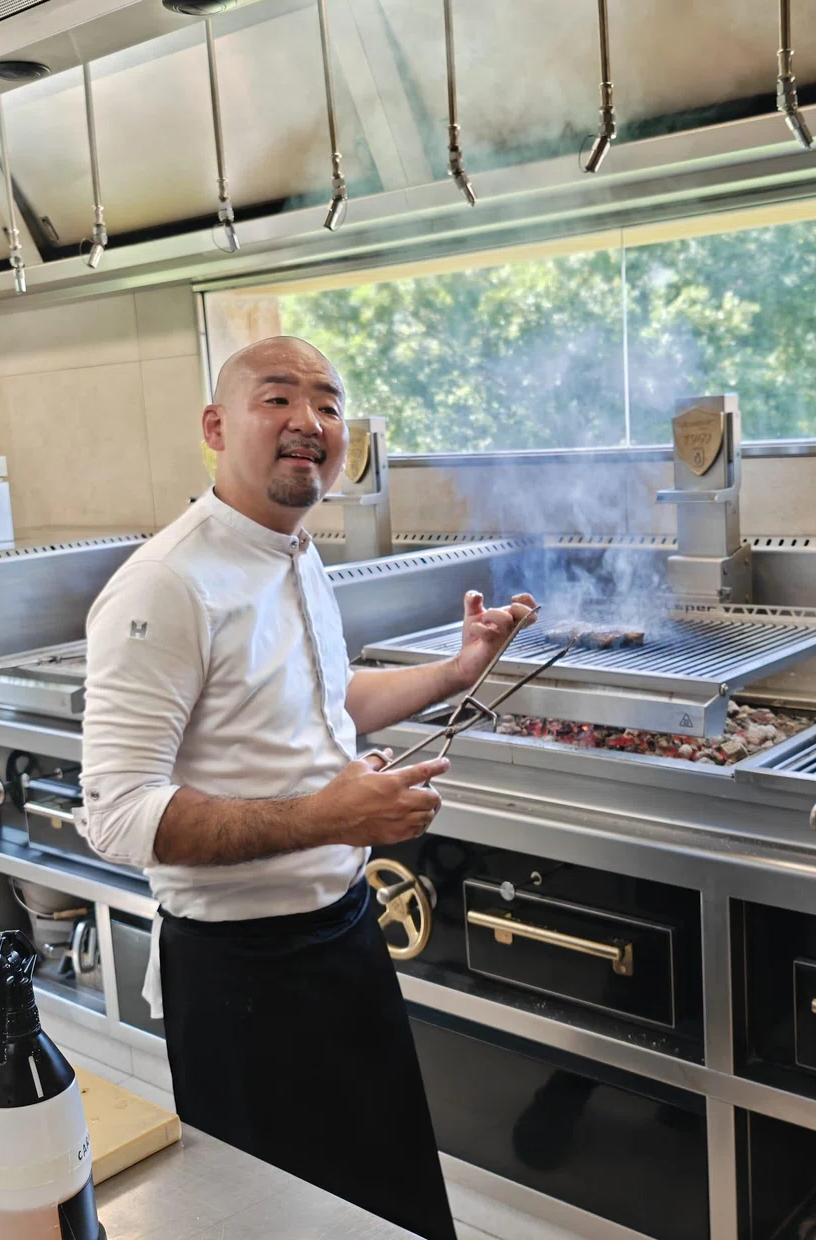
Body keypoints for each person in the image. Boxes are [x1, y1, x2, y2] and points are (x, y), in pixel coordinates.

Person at [77, 336, 536, 1240]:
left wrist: (453, 673)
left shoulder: (293, 552)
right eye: (277, 397)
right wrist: (329, 815)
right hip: (239, 976)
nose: (309, 422)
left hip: (343, 938)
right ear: (215, 427)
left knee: (392, 1204)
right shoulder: (168, 583)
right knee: (278, 1225)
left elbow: (327, 708)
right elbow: (118, 812)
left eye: (328, 404)